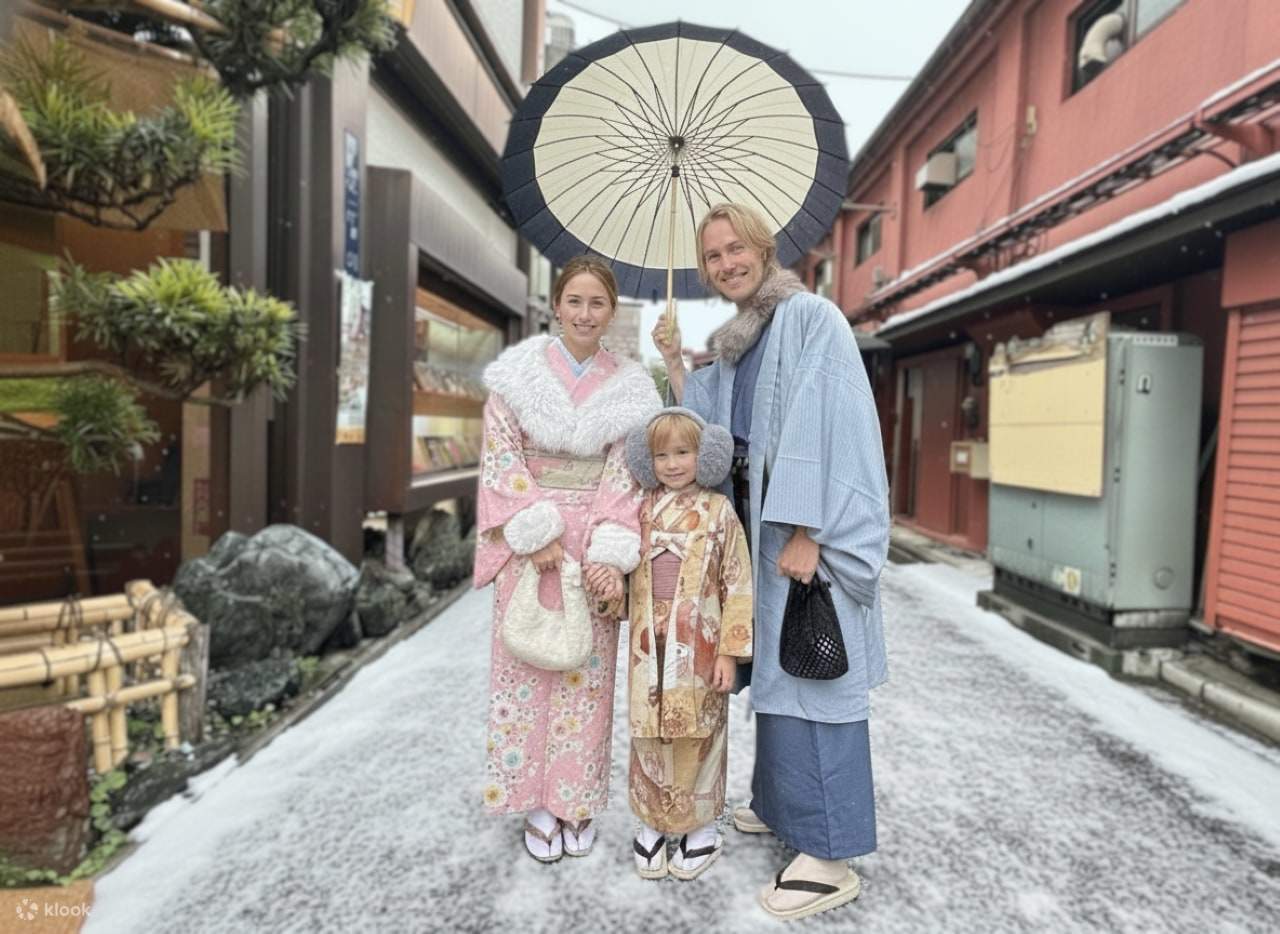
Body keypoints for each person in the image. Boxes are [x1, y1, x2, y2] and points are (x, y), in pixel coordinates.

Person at [652, 203, 890, 920]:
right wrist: (671, 361)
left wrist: (815, 530)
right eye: (713, 257)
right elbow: (708, 435)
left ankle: (829, 852)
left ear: (764, 249)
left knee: (820, 677)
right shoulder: (733, 344)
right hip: (759, 529)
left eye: (736, 249)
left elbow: (838, 427)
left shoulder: (811, 318)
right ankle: (785, 808)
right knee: (784, 673)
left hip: (800, 531)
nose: (726, 264)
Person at [475, 255, 661, 863]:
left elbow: (625, 475)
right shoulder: (517, 378)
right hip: (530, 546)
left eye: (597, 303)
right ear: (556, 305)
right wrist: (534, 531)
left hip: (593, 545)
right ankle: (533, 801)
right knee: (525, 669)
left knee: (586, 674)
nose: (585, 313)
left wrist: (610, 549)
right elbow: (500, 459)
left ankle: (575, 800)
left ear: (611, 312)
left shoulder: (631, 386)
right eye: (574, 301)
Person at [622, 408, 753, 882]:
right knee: (647, 729)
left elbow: (737, 582)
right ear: (648, 460)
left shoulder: (719, 511)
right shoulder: (640, 508)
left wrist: (728, 651)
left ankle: (700, 827)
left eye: (684, 452)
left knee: (700, 731)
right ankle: (651, 818)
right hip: (647, 645)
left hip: (699, 644)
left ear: (706, 456)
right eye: (662, 455)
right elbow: (619, 568)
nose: (673, 464)